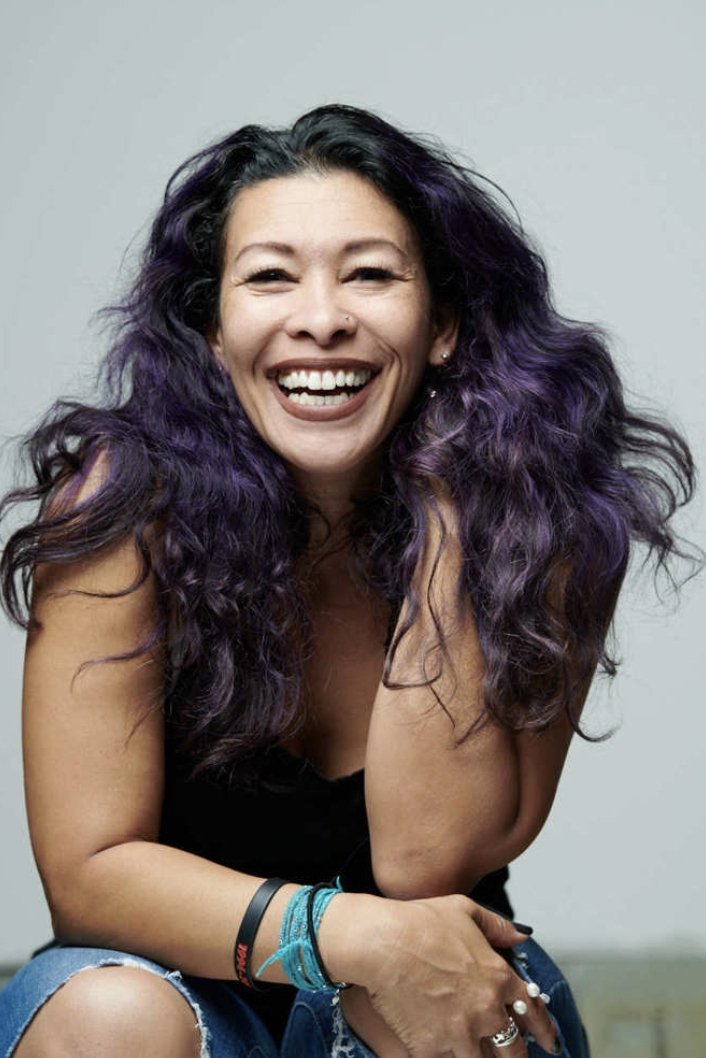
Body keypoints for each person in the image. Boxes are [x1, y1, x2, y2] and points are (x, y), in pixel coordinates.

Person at [0, 104, 699, 1058]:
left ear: (442, 323)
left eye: (370, 275)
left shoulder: (545, 521)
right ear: (213, 331)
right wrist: (352, 936)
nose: (322, 319)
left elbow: (420, 861)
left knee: (409, 1005)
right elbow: (90, 876)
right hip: (170, 986)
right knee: (111, 1016)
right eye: (270, 278)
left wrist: (453, 499)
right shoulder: (123, 508)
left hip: (427, 992)